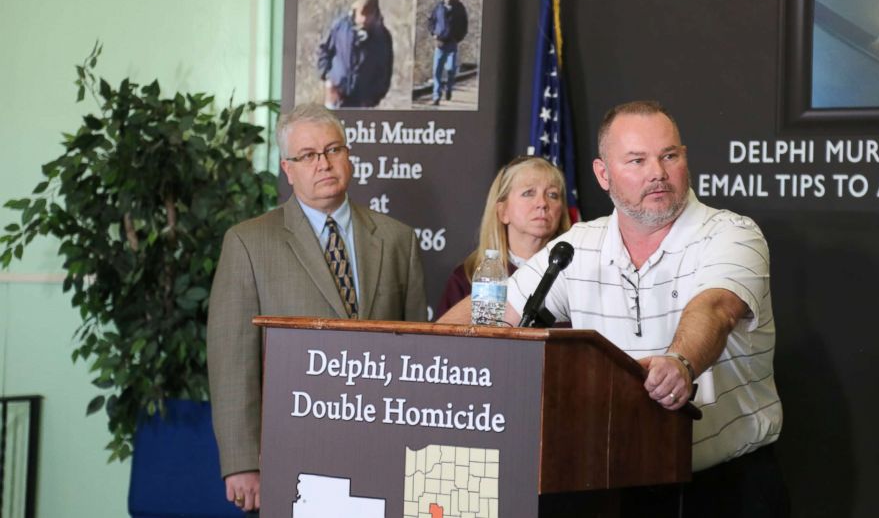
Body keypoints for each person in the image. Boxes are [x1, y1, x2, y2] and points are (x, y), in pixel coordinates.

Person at [439, 101, 787, 517]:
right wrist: (424, 355)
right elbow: (493, 310)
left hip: (722, 489)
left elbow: (715, 308)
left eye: (669, 156)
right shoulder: (579, 245)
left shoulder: (732, 234)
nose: (657, 172)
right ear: (603, 175)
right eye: (637, 160)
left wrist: (680, 362)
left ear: (684, 159)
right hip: (612, 482)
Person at [206, 103, 427, 513]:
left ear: (348, 156)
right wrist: (241, 463)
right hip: (291, 452)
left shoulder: (399, 240)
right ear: (288, 169)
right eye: (308, 155)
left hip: (386, 451)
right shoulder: (248, 243)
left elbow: (418, 355)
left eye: (333, 150)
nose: (323, 164)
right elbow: (231, 362)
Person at [435, 156, 571, 319]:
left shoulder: (574, 275)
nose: (542, 203)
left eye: (553, 195)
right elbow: (442, 341)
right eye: (529, 193)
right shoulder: (467, 277)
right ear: (503, 211)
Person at [317, 0, 394, 108]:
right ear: (355, 10)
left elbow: (384, 74)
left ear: (374, 14)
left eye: (368, 15)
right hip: (335, 97)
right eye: (361, 14)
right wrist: (327, 78)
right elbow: (324, 51)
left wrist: (371, 99)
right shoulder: (340, 27)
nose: (364, 20)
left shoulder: (382, 37)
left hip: (362, 104)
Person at [426, 0, 468, 105]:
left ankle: (449, 89)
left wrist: (458, 38)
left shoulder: (459, 8)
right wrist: (433, 33)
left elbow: (465, 25)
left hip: (452, 44)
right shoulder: (439, 8)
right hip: (439, 43)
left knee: (450, 69)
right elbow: (431, 21)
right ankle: (436, 96)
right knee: (437, 71)